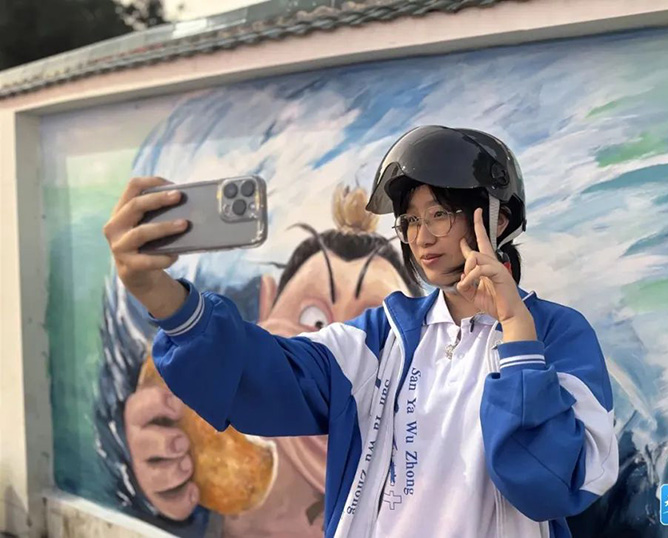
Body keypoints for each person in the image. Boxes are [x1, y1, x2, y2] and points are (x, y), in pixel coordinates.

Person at [102, 125, 619, 538]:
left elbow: (550, 486)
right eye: (410, 220)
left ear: (498, 219)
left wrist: (517, 336)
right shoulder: (379, 338)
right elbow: (260, 375)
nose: (422, 236)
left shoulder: (558, 336)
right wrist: (159, 294)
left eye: (440, 213)